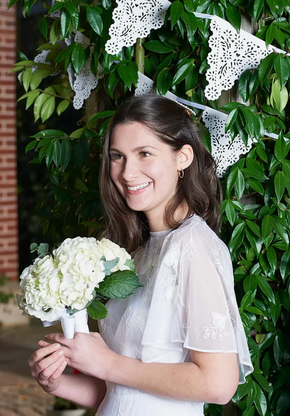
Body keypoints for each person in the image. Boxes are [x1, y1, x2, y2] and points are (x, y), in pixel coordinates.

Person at [28, 94, 253, 415]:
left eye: (144, 153)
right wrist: (56, 381)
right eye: (117, 156)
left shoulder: (192, 247)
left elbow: (218, 385)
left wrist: (106, 362)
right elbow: (121, 393)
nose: (127, 172)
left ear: (183, 157)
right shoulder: (138, 251)